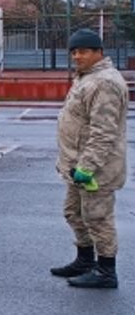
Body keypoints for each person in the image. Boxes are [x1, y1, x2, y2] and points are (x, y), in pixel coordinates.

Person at [50, 28, 126, 289]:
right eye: (73, 51)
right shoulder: (86, 78)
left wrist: (87, 167)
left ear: (98, 52)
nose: (77, 56)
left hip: (96, 169)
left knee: (98, 217)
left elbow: (103, 131)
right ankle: (85, 260)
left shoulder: (104, 82)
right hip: (76, 166)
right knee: (74, 213)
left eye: (83, 51)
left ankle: (106, 270)